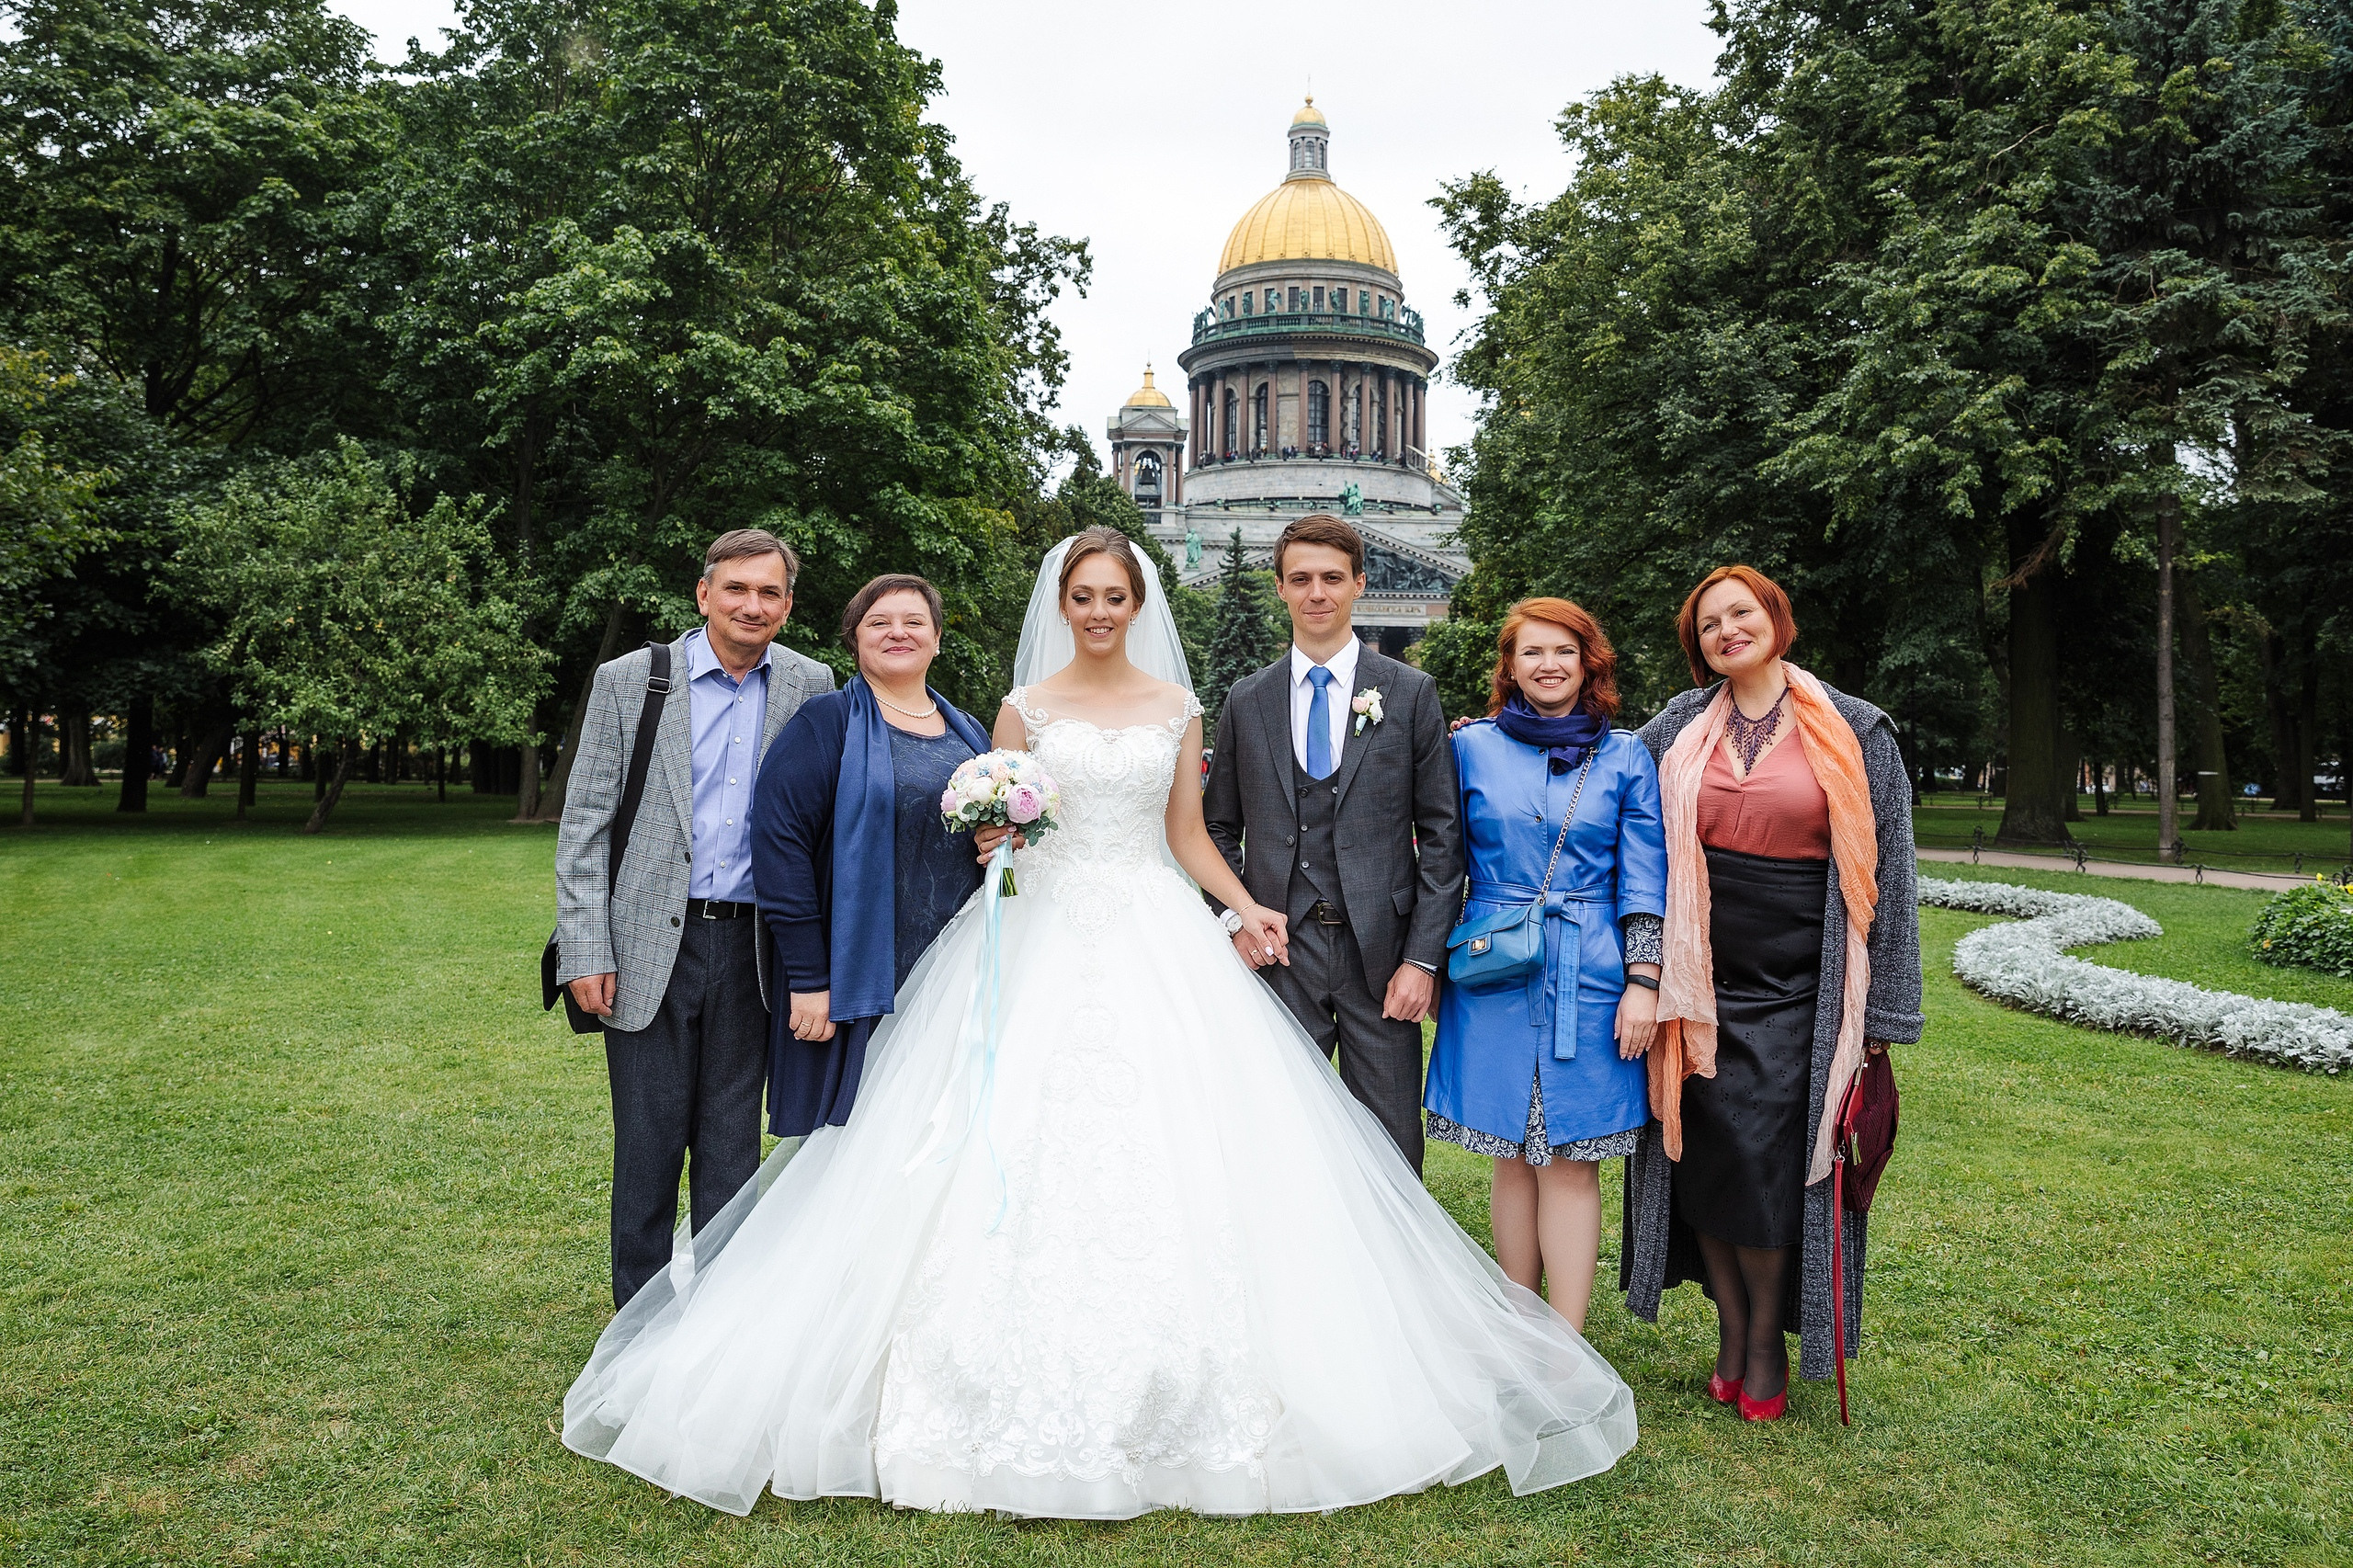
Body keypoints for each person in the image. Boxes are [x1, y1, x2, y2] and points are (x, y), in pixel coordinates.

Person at [562, 528, 1636, 1518]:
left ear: (1136, 602)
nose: (1098, 610)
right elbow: (1006, 816)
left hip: (1151, 930)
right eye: (1082, 595)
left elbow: (1185, 832)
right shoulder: (1021, 707)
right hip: (1039, 931)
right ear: (1062, 602)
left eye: (1115, 595)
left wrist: (1240, 902)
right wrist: (998, 838)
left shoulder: (1177, 702)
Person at [1620, 564, 1922, 1422]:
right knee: (1707, 1161)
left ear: (1775, 620)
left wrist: (1884, 1018)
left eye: (1740, 613)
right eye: (1708, 623)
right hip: (1698, 982)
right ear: (1698, 644)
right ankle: (1732, 1333)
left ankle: (1764, 1347)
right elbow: (1606, 780)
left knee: (1769, 1166)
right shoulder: (1679, 726)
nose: (1726, 631)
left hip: (1804, 988)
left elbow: (1890, 872)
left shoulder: (1859, 730)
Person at [553, 529, 835, 1308]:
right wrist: (585, 948)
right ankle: (637, 1336)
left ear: (786, 605)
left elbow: (829, 820)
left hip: (752, 950)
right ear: (704, 593)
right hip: (645, 945)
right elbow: (584, 824)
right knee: (646, 1150)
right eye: (737, 588)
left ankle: (716, 1336)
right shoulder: (630, 681)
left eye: (769, 592)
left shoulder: (812, 685)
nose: (753, 605)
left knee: (730, 1150)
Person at [1424, 599, 1665, 1331]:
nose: (1549, 665)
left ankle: (1564, 1341)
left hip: (1590, 969)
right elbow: (1443, 860)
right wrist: (1430, 963)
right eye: (1532, 653)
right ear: (1510, 666)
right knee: (1508, 1151)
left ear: (1589, 661)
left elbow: (1645, 877)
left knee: (1569, 1157)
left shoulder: (1625, 755)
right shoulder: (1469, 748)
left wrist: (1644, 983)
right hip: (1494, 967)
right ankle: (1516, 1326)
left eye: (1564, 651)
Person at [1201, 514, 1462, 1173]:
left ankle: (1396, 1273)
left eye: (1331, 578)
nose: (1317, 593)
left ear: (1359, 585)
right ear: (1281, 590)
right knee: (1280, 1139)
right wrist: (1235, 918)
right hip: (1279, 951)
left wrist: (1423, 961)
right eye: (1301, 579)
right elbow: (1214, 827)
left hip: (1384, 957)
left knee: (1392, 1147)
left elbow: (1442, 837)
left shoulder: (1409, 692)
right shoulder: (1247, 699)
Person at [750, 574, 1000, 1140]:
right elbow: (778, 846)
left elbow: (977, 842)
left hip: (951, 971)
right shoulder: (827, 722)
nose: (898, 633)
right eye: (879, 622)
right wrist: (810, 979)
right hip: (859, 971)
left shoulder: (969, 734)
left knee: (935, 1133)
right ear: (854, 639)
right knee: (856, 1142)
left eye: (914, 622)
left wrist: (1001, 840)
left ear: (937, 638)